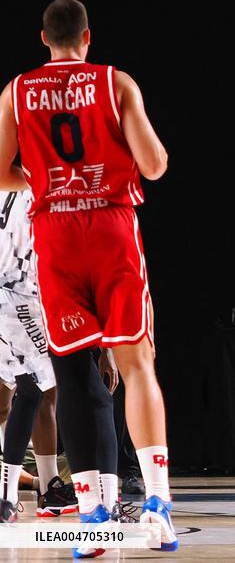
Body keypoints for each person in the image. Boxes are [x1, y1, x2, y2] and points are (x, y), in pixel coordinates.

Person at [0, 0, 177, 553]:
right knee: (136, 362)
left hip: (55, 236)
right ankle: (156, 506)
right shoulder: (114, 82)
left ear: (43, 38)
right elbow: (153, 164)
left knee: (72, 375)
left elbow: (0, 173)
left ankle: (94, 519)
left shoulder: (17, 92)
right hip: (111, 231)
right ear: (88, 37)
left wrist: (42, 178)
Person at [0, 189, 78, 521]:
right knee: (37, 390)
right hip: (20, 296)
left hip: (13, 295)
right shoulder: (36, 190)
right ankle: (31, 491)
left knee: (16, 395)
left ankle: (46, 485)